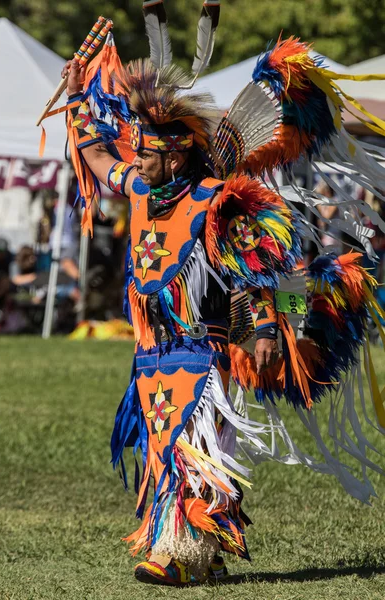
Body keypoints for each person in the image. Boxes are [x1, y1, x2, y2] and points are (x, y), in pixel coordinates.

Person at [59, 6, 385, 587]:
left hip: (204, 352)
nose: (138, 159)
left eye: (150, 151)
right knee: (166, 451)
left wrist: (267, 332)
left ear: (178, 152)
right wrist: (80, 99)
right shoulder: (138, 185)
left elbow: (262, 271)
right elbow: (98, 158)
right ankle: (198, 554)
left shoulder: (218, 201)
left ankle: (178, 553)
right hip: (150, 353)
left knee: (194, 448)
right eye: (137, 150)